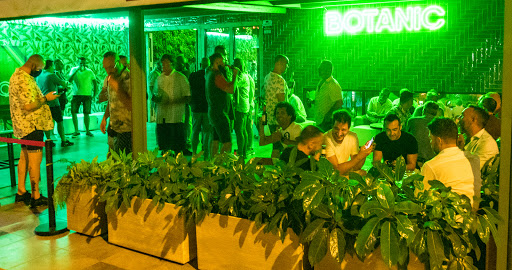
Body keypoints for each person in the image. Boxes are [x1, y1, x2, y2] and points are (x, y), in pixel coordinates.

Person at [10, 54, 60, 207]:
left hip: (24, 125)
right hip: (31, 125)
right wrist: (46, 98)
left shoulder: (18, 75)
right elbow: (29, 105)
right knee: (35, 161)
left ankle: (21, 191)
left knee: (24, 158)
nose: (39, 71)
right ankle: (36, 196)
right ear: (33, 66)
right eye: (39, 69)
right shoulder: (23, 79)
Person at [421, 118, 476, 205]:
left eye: (431, 139)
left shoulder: (431, 166)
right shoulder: (471, 160)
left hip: (446, 217)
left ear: (439, 140)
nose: (431, 143)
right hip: (469, 214)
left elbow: (420, 198)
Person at [152, 54, 191, 154]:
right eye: (162, 63)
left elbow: (188, 97)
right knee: (164, 146)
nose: (163, 65)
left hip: (176, 118)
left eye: (165, 63)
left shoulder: (180, 78)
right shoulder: (159, 78)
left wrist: (172, 102)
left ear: (172, 63)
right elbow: (154, 95)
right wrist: (157, 99)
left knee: (177, 148)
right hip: (162, 118)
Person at [206, 53, 239, 157]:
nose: (224, 64)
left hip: (212, 112)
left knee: (215, 140)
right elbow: (231, 89)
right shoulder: (217, 75)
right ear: (217, 62)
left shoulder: (209, 73)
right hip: (220, 113)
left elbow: (225, 85)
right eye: (222, 61)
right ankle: (220, 165)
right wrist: (235, 76)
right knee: (227, 142)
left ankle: (213, 165)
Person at [100, 51, 132, 154]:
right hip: (113, 126)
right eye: (105, 68)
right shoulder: (111, 77)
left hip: (126, 129)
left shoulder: (129, 77)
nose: (108, 71)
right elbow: (111, 100)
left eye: (110, 67)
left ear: (118, 62)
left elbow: (132, 105)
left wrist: (118, 88)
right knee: (111, 156)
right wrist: (105, 118)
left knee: (123, 162)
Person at [36, 60, 74, 147]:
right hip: (53, 103)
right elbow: (63, 83)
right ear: (50, 66)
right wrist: (64, 85)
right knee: (59, 122)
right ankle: (63, 141)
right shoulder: (51, 75)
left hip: (43, 103)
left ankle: (49, 140)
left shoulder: (39, 76)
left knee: (46, 123)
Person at [324, 110, 374, 175]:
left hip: (343, 173)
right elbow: (335, 171)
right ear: (332, 126)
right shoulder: (326, 139)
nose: (339, 133)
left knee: (364, 174)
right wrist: (359, 157)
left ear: (349, 128)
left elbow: (356, 167)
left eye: (343, 130)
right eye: (336, 128)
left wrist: (364, 154)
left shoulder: (352, 137)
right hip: (329, 176)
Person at [69, 57, 98, 137]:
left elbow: (95, 82)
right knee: (74, 112)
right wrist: (76, 71)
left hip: (87, 94)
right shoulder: (73, 69)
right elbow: (69, 80)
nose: (82, 64)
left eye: (84, 63)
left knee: (86, 113)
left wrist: (95, 93)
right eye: (81, 63)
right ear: (78, 62)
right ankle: (76, 130)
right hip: (76, 94)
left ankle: (87, 130)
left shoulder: (89, 71)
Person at [189, 57, 211, 159]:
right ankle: (206, 154)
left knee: (195, 130)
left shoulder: (193, 75)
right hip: (207, 108)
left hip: (196, 107)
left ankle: (194, 152)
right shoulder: (210, 76)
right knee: (207, 132)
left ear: (200, 64)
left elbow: (189, 90)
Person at [406, 101, 439, 166]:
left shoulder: (412, 121)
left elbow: (405, 140)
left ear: (424, 110)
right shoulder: (439, 124)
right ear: (436, 113)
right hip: (433, 162)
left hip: (413, 162)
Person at [233, 58, 254, 157]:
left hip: (240, 106)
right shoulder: (246, 75)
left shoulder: (241, 76)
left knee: (239, 130)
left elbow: (233, 85)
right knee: (244, 130)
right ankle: (244, 152)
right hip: (244, 106)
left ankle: (241, 152)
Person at [314, 60, 343, 131]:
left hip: (327, 122)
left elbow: (339, 102)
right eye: (320, 69)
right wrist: (312, 101)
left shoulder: (333, 84)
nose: (321, 71)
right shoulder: (321, 81)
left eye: (323, 69)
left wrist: (328, 114)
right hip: (319, 120)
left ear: (329, 70)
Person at [264, 55, 289, 132]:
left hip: (271, 119)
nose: (287, 67)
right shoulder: (279, 79)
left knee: (275, 142)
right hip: (279, 120)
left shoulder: (267, 77)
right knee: (281, 143)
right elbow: (282, 102)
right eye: (286, 64)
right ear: (278, 63)